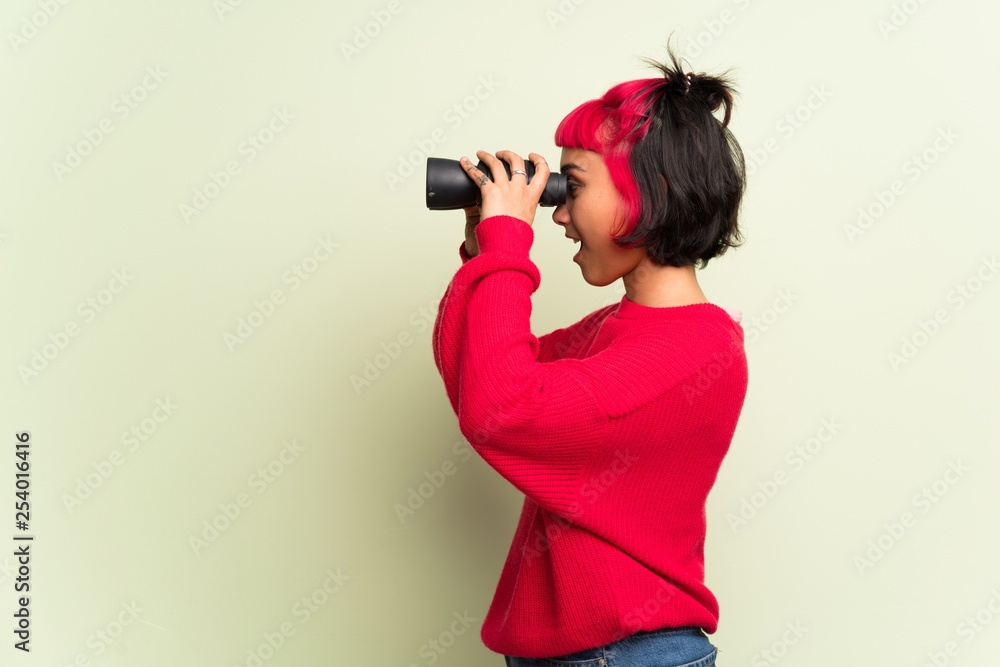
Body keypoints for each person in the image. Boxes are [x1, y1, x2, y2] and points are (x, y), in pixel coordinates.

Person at [431, 41, 748, 667]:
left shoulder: (695, 348)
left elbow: (501, 410)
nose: (559, 216)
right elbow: (480, 379)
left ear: (648, 193)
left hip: (628, 656)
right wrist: (484, 247)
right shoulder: (617, 330)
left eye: (569, 189)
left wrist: (508, 241)